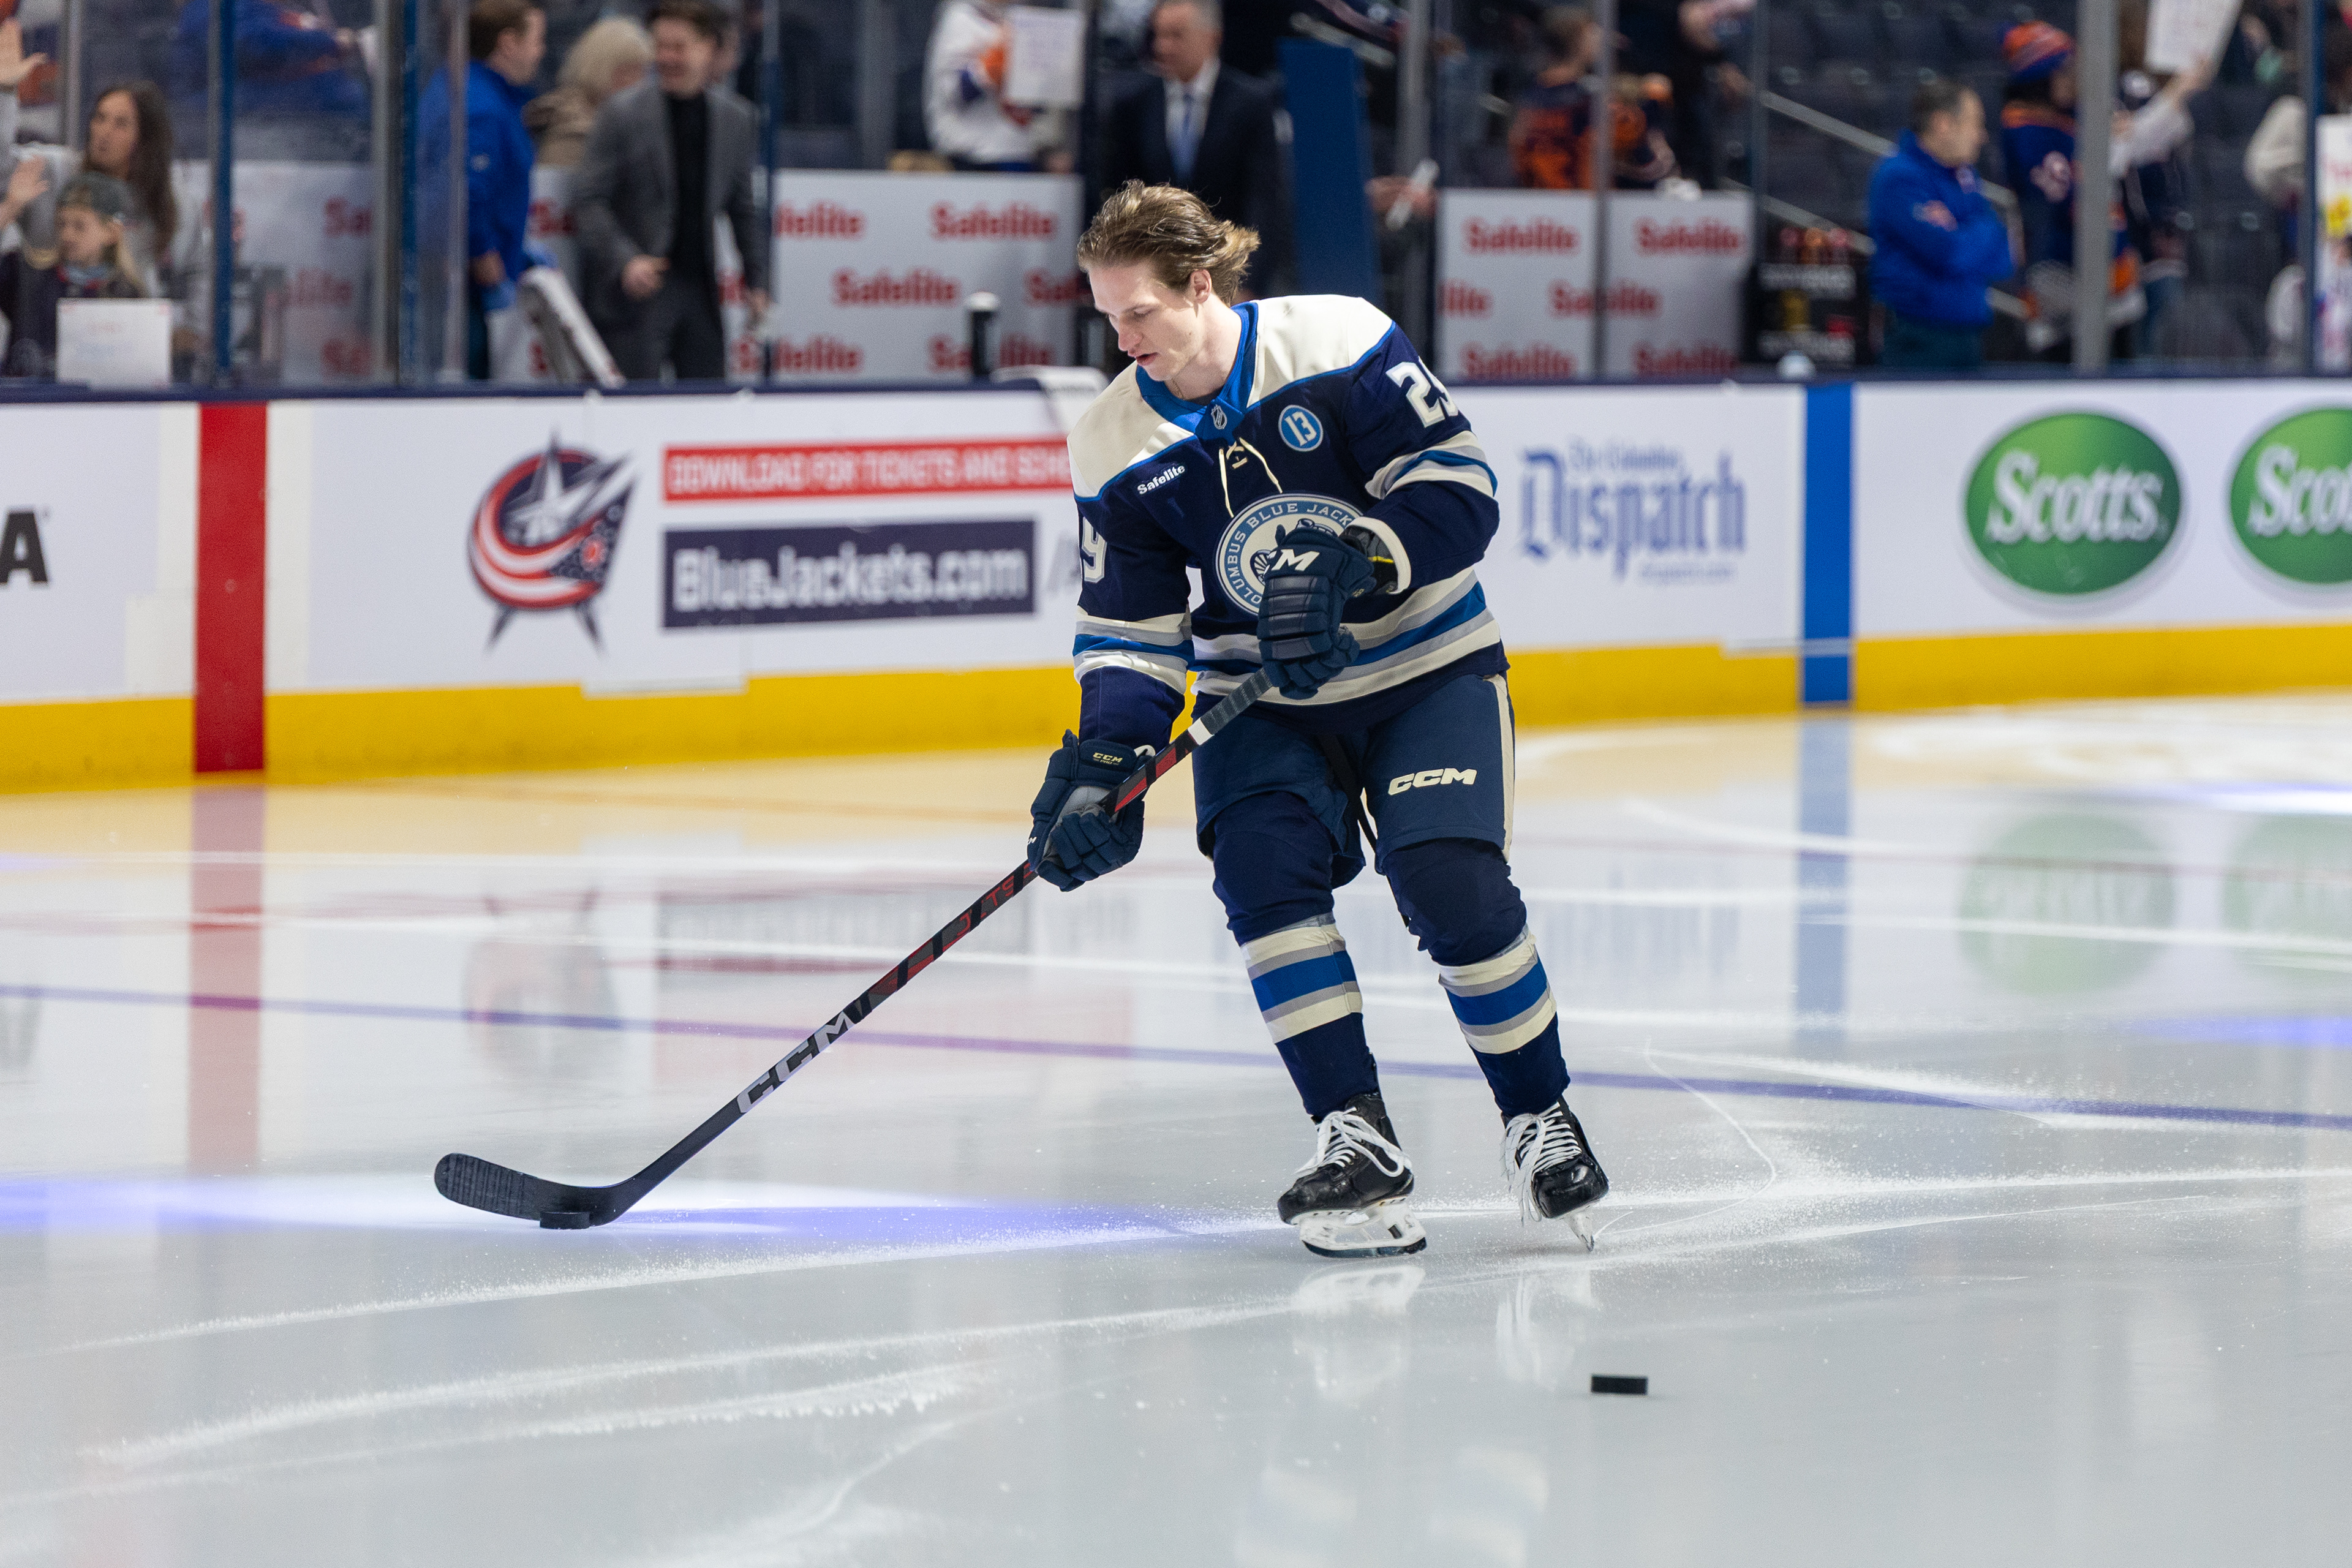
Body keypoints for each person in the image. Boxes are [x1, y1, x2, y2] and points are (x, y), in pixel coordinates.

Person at [1030, 181, 1608, 1259]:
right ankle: (1357, 1137)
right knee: (1264, 882)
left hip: (1426, 666)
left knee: (1452, 884)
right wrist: (1105, 754)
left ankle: (1539, 1115)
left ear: (1198, 285)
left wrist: (1363, 557)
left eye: (1139, 313)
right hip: (1269, 701)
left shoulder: (1336, 338)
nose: (1121, 338)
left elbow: (1461, 484)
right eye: (1106, 318)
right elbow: (1131, 633)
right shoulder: (1110, 442)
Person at [571, 0, 767, 382]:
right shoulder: (620, 114)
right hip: (636, 299)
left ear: (709, 48)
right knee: (632, 409)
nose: (667, 58)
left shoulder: (736, 120)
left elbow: (743, 208)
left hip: (701, 291)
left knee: (707, 404)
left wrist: (756, 282)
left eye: (679, 48)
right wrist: (626, 260)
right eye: (660, 47)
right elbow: (590, 201)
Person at [1998, 21, 2206, 360]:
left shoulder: (2074, 117)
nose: (2075, 77)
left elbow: (2140, 142)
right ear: (2039, 80)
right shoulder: (2028, 135)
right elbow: (2089, 182)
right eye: (2064, 71)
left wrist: (2181, 91)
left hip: (2111, 290)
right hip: (2062, 291)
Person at [1102, 0, 1287, 296]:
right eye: (1158, 36)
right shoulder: (1135, 105)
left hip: (1225, 272)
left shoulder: (1250, 104)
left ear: (1212, 37)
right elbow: (1120, 194)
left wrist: (1247, 281)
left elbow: (1262, 202)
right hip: (1155, 277)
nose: (1162, 48)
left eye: (1176, 36)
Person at [0, 30, 178, 299]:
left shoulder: (164, 201)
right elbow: (2, 168)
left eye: (121, 124)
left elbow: (193, 271)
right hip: (43, 320)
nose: (104, 132)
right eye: (100, 118)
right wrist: (4, 94)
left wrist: (187, 329)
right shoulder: (52, 170)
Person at [420, 0, 545, 381]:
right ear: (508, 44)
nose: (541, 52)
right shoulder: (483, 106)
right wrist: (482, 251)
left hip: (447, 272)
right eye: (537, 40)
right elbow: (465, 191)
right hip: (459, 281)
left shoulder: (459, 86)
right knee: (465, 382)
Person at [1868, 81, 2013, 370]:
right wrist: (1981, 233)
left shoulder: (1965, 175)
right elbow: (1947, 252)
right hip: (1919, 337)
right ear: (1944, 124)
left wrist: (1971, 233)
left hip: (1968, 332)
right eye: (1975, 124)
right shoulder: (1898, 178)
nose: (1982, 136)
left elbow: (2003, 256)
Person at [0, 173, 145, 378]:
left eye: (80, 226)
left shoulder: (129, 295)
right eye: (62, 224)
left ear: (111, 232)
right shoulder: (25, 276)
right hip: (27, 406)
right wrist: (9, 208)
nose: (67, 235)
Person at [168, 0, 368, 124]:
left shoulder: (261, 8)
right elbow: (251, 43)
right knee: (340, 94)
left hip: (250, 112)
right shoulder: (209, 7)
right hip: (214, 118)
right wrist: (331, 43)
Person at [924, 0, 1060, 170]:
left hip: (1021, 151)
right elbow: (954, 92)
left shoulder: (1021, 17)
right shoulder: (962, 18)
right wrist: (995, 59)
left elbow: (1042, 104)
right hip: (974, 157)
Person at [524, 16, 650, 168]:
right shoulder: (570, 131)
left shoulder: (615, 120)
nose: (640, 83)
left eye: (642, 72)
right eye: (629, 71)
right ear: (603, 69)